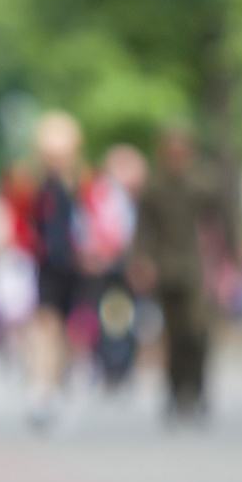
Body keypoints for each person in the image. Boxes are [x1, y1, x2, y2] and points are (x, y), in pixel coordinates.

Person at [132, 128, 237, 422]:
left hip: (196, 268)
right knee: (172, 334)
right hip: (165, 267)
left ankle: (198, 388)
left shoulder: (201, 184)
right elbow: (142, 229)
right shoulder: (154, 187)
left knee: (197, 331)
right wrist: (141, 259)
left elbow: (224, 217)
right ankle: (174, 390)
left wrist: (233, 249)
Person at [21, 112, 87, 428]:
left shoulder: (86, 182)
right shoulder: (29, 182)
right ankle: (42, 389)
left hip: (79, 267)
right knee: (45, 326)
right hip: (43, 265)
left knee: (71, 331)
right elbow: (18, 223)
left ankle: (62, 382)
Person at [79, 144, 145, 388]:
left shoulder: (138, 196)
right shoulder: (99, 192)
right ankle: (107, 363)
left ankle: (125, 363)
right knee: (104, 314)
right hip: (104, 261)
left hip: (127, 261)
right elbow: (88, 224)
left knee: (129, 313)